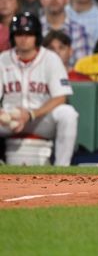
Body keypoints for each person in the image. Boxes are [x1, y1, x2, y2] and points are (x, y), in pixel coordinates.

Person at [0, 12, 78, 166]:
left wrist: (30, 114)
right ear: (13, 36)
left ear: (37, 37)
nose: (23, 38)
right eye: (19, 33)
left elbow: (61, 97)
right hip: (9, 119)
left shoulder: (50, 59)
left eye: (28, 34)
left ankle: (62, 169)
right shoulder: (2, 59)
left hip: (39, 118)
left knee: (68, 114)